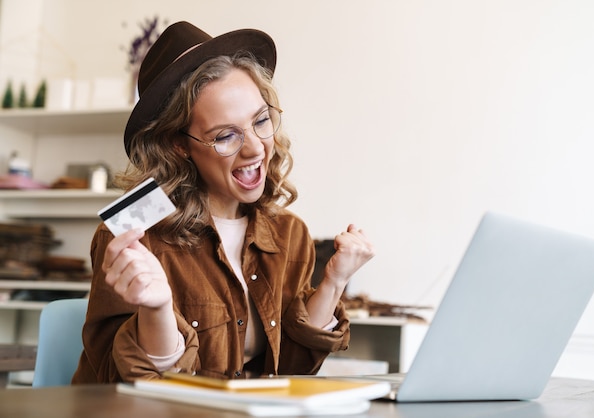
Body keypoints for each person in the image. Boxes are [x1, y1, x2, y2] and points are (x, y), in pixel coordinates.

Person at [72, 21, 375, 383]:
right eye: (225, 135)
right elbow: (119, 385)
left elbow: (292, 373)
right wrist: (157, 311)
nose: (254, 148)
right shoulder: (133, 235)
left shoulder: (288, 234)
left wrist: (334, 282)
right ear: (178, 145)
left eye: (261, 120)